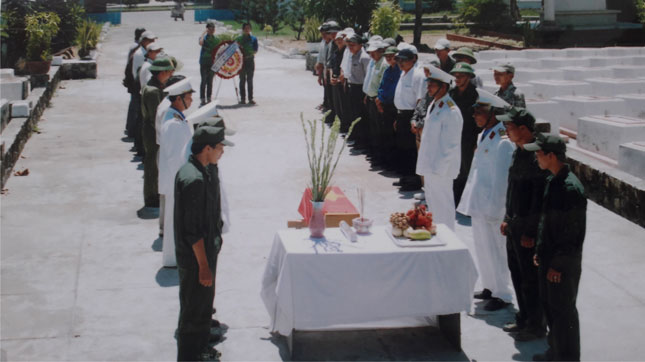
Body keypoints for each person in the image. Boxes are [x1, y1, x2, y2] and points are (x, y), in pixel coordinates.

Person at [524, 133, 586, 362]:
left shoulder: (570, 189)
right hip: (549, 258)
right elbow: (547, 223)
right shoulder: (553, 180)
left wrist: (558, 265)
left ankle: (568, 358)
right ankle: (556, 353)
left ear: (551, 155)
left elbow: (572, 234)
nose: (536, 158)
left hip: (562, 264)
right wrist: (540, 252)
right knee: (551, 309)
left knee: (564, 314)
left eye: (539, 153)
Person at [174, 126, 233, 361]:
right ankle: (191, 356)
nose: (222, 152)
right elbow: (193, 231)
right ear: (207, 148)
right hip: (196, 257)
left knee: (202, 306)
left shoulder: (201, 170)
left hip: (204, 252)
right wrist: (204, 265)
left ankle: (200, 349)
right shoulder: (194, 180)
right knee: (194, 311)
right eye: (219, 148)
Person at [457, 89, 514, 311]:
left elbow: (502, 180)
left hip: (493, 206)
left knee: (497, 251)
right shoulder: (484, 135)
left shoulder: (503, 141)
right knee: (482, 247)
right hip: (480, 201)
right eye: (475, 111)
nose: (475, 115)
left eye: (479, 111)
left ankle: (503, 294)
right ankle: (490, 286)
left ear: (493, 114)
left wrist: (497, 210)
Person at [498, 107, 549, 341]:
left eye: (510, 126)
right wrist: (507, 219)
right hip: (514, 225)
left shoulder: (535, 155)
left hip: (527, 229)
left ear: (524, 129)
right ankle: (524, 318)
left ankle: (536, 325)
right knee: (517, 274)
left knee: (530, 278)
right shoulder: (518, 152)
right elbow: (513, 191)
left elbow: (539, 200)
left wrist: (531, 232)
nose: (506, 129)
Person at [416, 66, 462, 230]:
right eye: (428, 84)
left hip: (441, 169)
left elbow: (450, 145)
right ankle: (436, 233)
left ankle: (448, 238)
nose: (428, 88)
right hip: (431, 166)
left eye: (432, 85)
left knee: (444, 207)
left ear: (443, 87)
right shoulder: (434, 105)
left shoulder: (451, 110)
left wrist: (438, 169)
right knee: (433, 206)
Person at [158, 78, 196, 268]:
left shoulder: (176, 118)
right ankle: (173, 259)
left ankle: (175, 256)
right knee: (175, 220)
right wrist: (184, 181)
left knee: (177, 219)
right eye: (189, 97)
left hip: (176, 179)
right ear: (178, 99)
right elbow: (175, 158)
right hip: (176, 180)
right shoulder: (173, 123)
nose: (191, 101)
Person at [140, 57, 175, 214]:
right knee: (152, 165)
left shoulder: (155, 87)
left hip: (150, 129)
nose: (169, 74)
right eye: (168, 72)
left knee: (154, 163)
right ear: (161, 73)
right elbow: (157, 117)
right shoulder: (153, 91)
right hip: (152, 131)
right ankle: (151, 196)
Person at [393, 46, 425, 191]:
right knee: (402, 148)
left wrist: (415, 120)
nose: (401, 63)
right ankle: (405, 177)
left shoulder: (418, 75)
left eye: (404, 60)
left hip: (411, 115)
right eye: (399, 60)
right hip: (401, 114)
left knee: (411, 150)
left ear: (414, 59)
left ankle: (413, 180)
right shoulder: (403, 73)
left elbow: (420, 100)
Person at [449, 62, 480, 206]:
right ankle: (455, 198)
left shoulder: (476, 95)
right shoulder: (452, 93)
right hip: (454, 136)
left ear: (468, 77)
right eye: (455, 76)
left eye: (461, 76)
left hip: (469, 138)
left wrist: (478, 142)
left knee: (468, 170)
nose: (457, 79)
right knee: (455, 168)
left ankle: (467, 202)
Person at [375, 45, 401, 171]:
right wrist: (379, 99)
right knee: (385, 134)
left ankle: (393, 164)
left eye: (392, 56)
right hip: (385, 106)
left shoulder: (399, 71)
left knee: (393, 137)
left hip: (393, 106)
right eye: (387, 56)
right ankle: (386, 161)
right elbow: (382, 86)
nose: (389, 59)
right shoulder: (387, 70)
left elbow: (394, 90)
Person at [362, 39, 388, 163]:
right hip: (371, 99)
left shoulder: (384, 64)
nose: (371, 55)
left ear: (381, 51)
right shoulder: (374, 62)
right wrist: (367, 94)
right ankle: (374, 153)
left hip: (378, 101)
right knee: (373, 128)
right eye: (370, 52)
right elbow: (370, 81)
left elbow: (382, 84)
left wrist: (379, 101)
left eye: (374, 52)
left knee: (379, 130)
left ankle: (380, 156)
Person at [344, 33, 371, 149]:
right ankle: (356, 138)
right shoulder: (352, 55)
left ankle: (362, 142)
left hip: (361, 89)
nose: (350, 47)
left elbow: (367, 76)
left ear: (360, 45)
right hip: (353, 87)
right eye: (349, 45)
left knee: (361, 116)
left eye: (353, 45)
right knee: (354, 114)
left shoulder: (364, 57)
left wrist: (365, 93)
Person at [199, 21, 221, 106]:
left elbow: (219, 50)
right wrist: (204, 33)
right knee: (203, 80)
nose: (212, 30)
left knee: (210, 81)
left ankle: (209, 97)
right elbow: (200, 43)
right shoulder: (204, 38)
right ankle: (202, 98)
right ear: (207, 29)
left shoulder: (216, 39)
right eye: (210, 29)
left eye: (213, 29)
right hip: (204, 62)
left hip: (212, 62)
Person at [236, 23, 258, 105]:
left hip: (250, 60)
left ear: (250, 29)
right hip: (241, 62)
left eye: (248, 28)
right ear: (243, 29)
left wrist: (248, 51)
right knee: (242, 80)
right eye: (245, 28)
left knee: (250, 80)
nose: (247, 30)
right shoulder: (238, 39)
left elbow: (255, 50)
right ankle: (242, 99)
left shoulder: (254, 39)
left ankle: (250, 98)